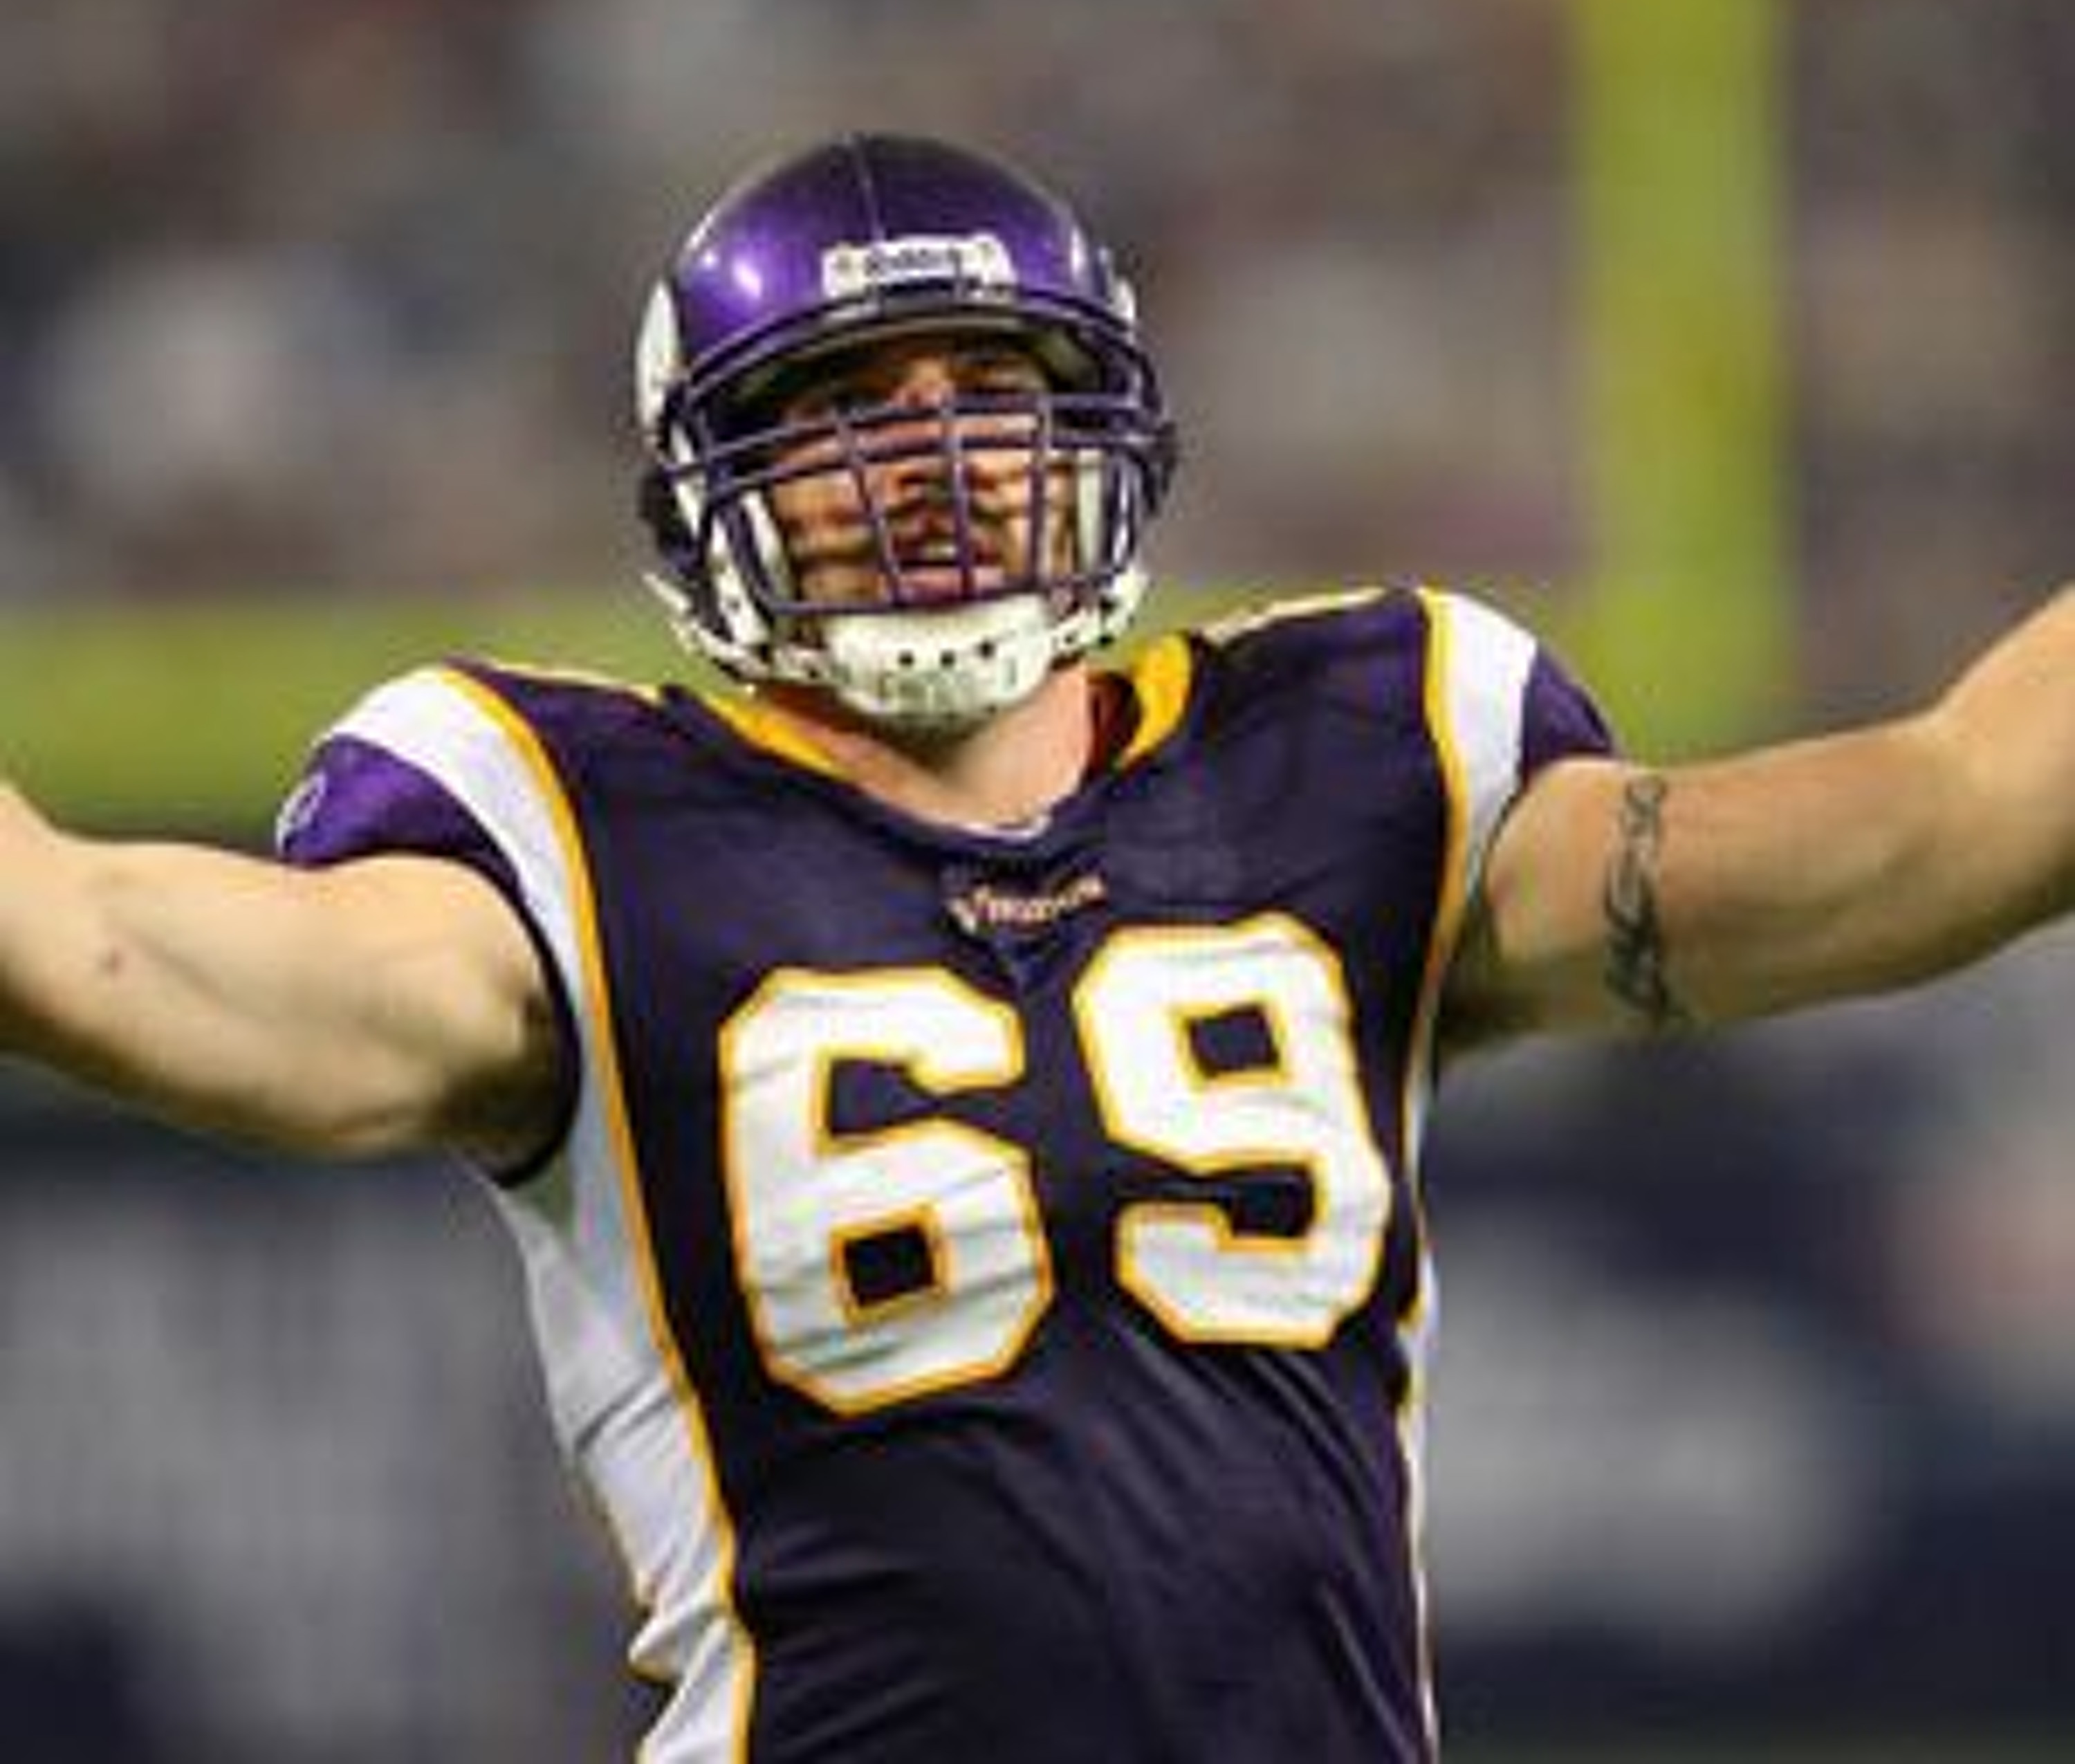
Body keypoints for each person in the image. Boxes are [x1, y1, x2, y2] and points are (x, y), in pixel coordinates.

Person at [0, 131, 2069, 1763]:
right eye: (838, 403)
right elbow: (100, 954)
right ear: (707, 490)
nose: (934, 459)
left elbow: (1939, 826)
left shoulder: (1353, 762)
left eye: (993, 391)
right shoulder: (582, 831)